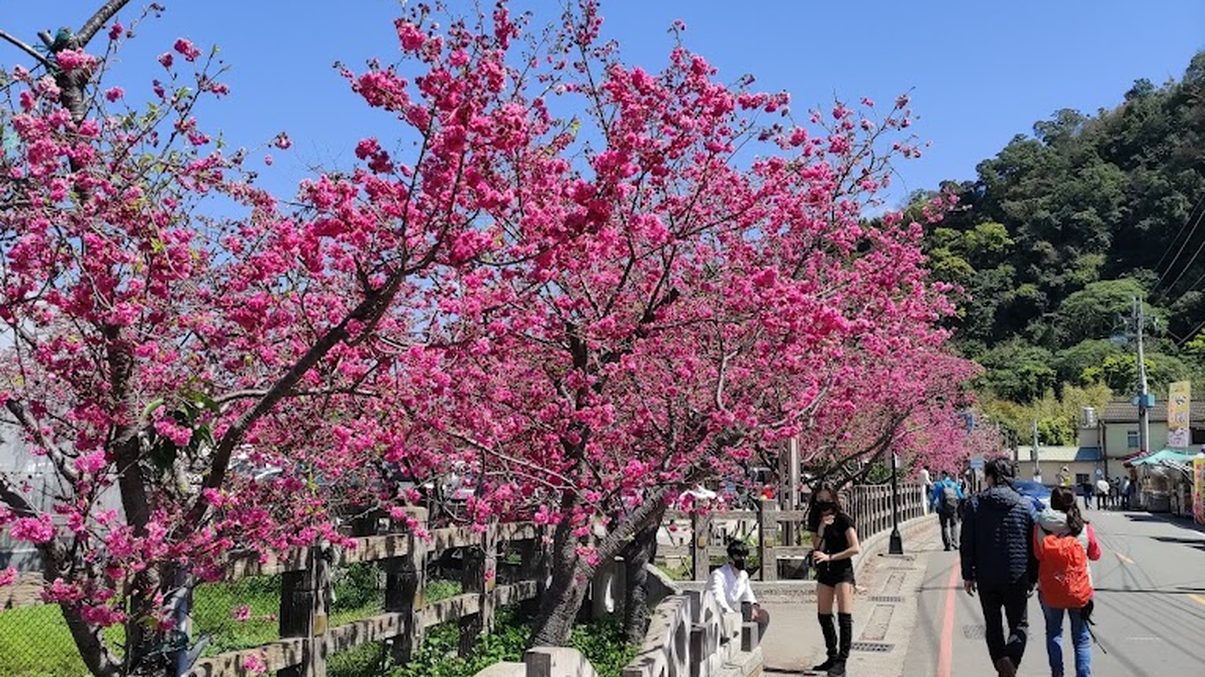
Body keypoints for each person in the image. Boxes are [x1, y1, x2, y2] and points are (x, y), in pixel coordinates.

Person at [961, 458, 1037, 677]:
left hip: (986, 575)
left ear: (991, 477)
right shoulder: (1024, 505)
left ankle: (1003, 666)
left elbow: (967, 542)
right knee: (1019, 625)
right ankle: (1010, 664)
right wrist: (1033, 576)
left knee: (993, 625)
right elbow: (1033, 545)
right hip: (1017, 574)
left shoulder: (975, 504)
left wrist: (968, 574)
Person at [1035, 486, 1101, 677]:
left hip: (1050, 588)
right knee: (1081, 638)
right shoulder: (1083, 528)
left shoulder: (1040, 527)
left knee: (1054, 632)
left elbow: (1037, 554)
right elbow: (1096, 555)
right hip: (1080, 589)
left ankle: (1057, 673)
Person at [808, 485, 860, 676]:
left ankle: (842, 662)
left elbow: (855, 548)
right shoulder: (814, 519)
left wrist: (831, 557)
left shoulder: (843, 520)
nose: (824, 504)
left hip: (842, 570)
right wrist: (821, 529)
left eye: (827, 500)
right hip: (825, 572)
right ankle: (832, 655)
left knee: (844, 616)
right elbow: (816, 546)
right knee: (823, 615)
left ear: (834, 500)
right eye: (820, 500)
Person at [707, 540, 770, 638]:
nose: (743, 559)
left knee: (763, 616)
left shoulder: (743, 575)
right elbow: (718, 600)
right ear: (730, 558)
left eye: (745, 556)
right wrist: (734, 615)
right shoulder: (718, 575)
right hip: (716, 613)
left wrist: (754, 606)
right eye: (738, 556)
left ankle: (750, 644)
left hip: (733, 611)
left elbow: (748, 595)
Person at [930, 471, 965, 551]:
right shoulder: (954, 484)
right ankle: (955, 543)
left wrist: (932, 505)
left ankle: (947, 545)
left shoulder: (939, 485)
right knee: (954, 525)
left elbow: (933, 497)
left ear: (942, 475)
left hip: (942, 508)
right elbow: (960, 496)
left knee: (944, 526)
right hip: (953, 508)